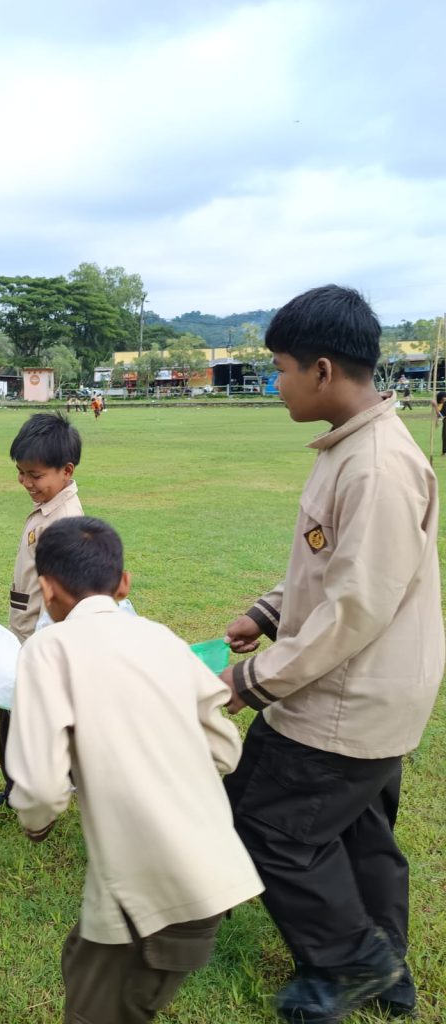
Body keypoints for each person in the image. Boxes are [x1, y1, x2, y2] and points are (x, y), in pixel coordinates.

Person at [221, 285, 444, 1024]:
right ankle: (391, 976)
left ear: (321, 370)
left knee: (272, 827)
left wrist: (257, 679)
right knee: (359, 833)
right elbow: (333, 571)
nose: (273, 383)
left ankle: (352, 961)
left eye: (279, 369)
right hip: (373, 691)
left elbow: (355, 607)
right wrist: (269, 610)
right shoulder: (352, 449)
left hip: (347, 697)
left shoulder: (376, 466)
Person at [6, 517, 263, 1024]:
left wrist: (36, 823)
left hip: (152, 893)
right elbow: (225, 749)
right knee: (83, 961)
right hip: (211, 871)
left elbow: (38, 785)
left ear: (46, 588)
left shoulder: (47, 649)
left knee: (98, 1008)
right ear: (124, 584)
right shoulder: (162, 638)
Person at [0, 412, 84, 808]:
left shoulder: (64, 523)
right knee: (17, 717)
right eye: (20, 473)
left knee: (29, 720)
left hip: (40, 641)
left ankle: (33, 790)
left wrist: (41, 649)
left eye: (35, 475)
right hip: (27, 634)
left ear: (66, 471)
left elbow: (64, 598)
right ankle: (20, 788)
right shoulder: (49, 511)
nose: (26, 482)